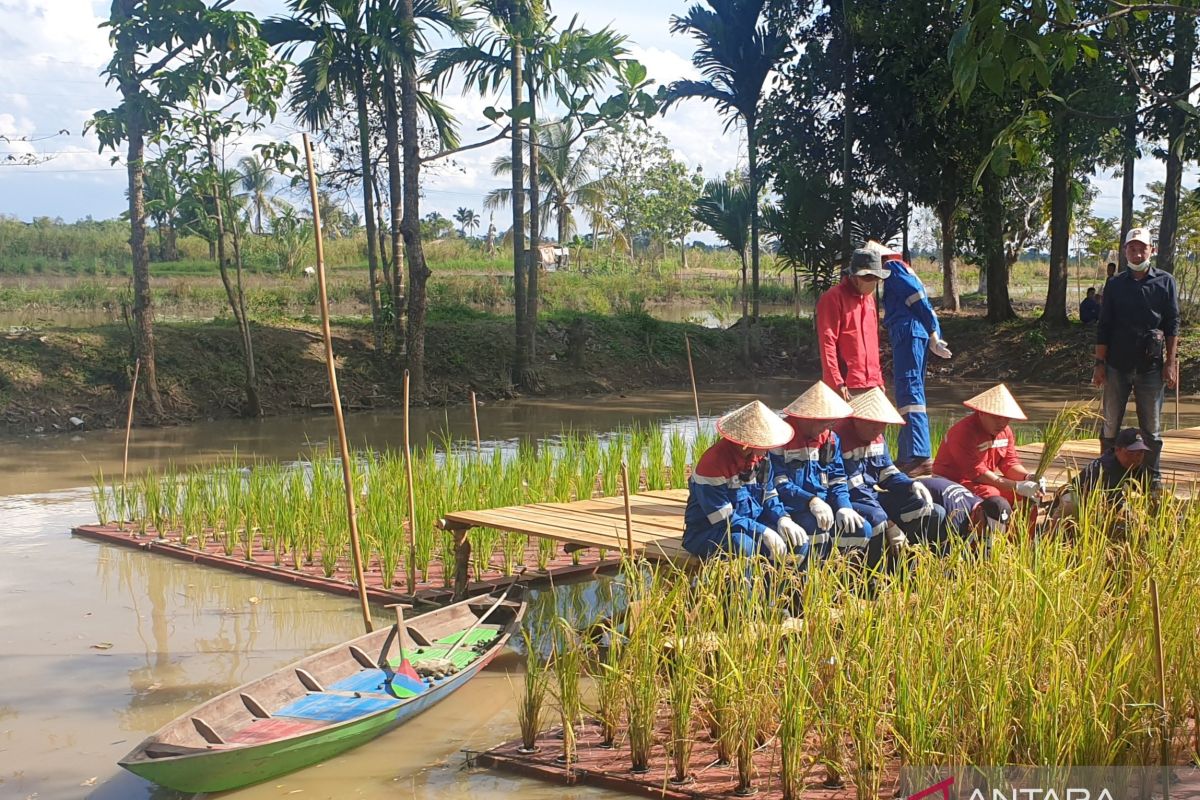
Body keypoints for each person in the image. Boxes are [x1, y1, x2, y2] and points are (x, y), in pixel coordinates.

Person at [1093, 226, 1179, 490]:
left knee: (1151, 430)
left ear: (1151, 249)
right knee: (1110, 428)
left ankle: (1151, 482)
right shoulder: (1115, 283)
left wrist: (1170, 363)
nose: (1137, 252)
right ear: (1125, 251)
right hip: (1117, 366)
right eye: (1132, 247)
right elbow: (1104, 325)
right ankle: (1106, 478)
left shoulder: (1165, 281)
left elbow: (1172, 324)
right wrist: (1099, 364)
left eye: (1142, 247)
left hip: (1151, 368)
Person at [865, 240, 952, 476]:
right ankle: (910, 454)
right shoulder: (901, 268)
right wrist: (934, 334)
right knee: (911, 391)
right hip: (911, 332)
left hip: (908, 331)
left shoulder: (893, 268)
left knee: (909, 391)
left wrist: (934, 334)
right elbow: (921, 300)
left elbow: (918, 300)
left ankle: (917, 455)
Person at [683, 400, 807, 562]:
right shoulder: (713, 464)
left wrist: (782, 518)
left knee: (796, 541)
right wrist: (763, 531)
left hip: (750, 524)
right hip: (709, 532)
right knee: (744, 546)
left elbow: (769, 496)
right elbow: (723, 519)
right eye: (766, 442)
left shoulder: (761, 458)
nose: (770, 447)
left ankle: (781, 586)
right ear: (747, 444)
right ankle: (744, 587)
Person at [834, 387, 947, 557]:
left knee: (928, 508)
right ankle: (875, 573)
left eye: (883, 424)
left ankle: (911, 560)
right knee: (877, 517)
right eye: (874, 424)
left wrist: (910, 484)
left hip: (873, 497)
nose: (879, 429)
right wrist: (890, 523)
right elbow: (854, 489)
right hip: (851, 500)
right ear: (858, 419)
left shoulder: (878, 437)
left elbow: (888, 473)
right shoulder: (839, 438)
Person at [771, 381, 875, 562]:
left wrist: (844, 506)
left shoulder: (831, 439)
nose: (827, 426)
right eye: (824, 421)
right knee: (815, 527)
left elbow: (837, 478)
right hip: (794, 508)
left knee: (860, 528)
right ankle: (807, 583)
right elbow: (779, 483)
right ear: (808, 417)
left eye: (831, 421)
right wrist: (811, 500)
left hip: (827, 505)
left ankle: (847, 583)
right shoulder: (780, 438)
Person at [932, 384, 1045, 510]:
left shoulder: (1005, 431)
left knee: (1030, 496)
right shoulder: (963, 432)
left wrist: (1028, 477)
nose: (1002, 423)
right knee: (992, 496)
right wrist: (1017, 486)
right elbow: (976, 472)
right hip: (951, 482)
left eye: (1006, 418)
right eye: (996, 417)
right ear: (981, 413)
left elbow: (1009, 462)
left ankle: (1021, 529)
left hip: (983, 480)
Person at [816, 248, 888, 402]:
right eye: (867, 277)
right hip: (846, 384)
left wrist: (878, 379)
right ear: (854, 276)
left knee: (874, 426)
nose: (872, 282)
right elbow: (827, 343)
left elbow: (873, 343)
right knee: (843, 427)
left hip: (871, 384)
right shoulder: (833, 298)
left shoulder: (869, 300)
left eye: (875, 278)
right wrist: (836, 382)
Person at [1053, 427, 1152, 518]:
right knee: (1071, 504)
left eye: (1140, 453)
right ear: (1117, 450)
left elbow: (1147, 491)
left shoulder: (1134, 464)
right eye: (1131, 453)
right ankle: (1051, 533)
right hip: (1076, 496)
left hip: (1100, 500)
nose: (1137, 457)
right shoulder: (1107, 467)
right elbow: (1115, 502)